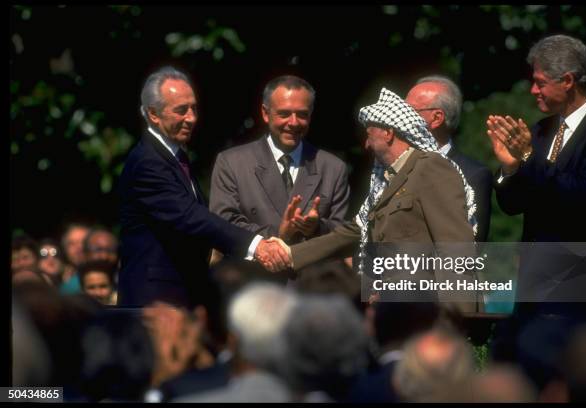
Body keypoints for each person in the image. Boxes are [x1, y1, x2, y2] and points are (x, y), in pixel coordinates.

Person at [280, 88, 479, 312]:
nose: (366, 144)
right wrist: (289, 254)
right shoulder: (387, 181)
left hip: (427, 313)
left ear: (388, 133)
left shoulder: (430, 167)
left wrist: (457, 318)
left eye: (370, 134)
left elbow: (455, 248)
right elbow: (354, 231)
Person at [117, 66, 290, 308]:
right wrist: (256, 245)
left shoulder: (175, 157)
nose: (191, 118)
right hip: (154, 302)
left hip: (179, 294)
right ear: (154, 114)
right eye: (181, 111)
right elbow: (191, 217)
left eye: (193, 108)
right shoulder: (148, 162)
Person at [485, 34, 586, 300]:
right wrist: (511, 167)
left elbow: (585, 196)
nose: (533, 90)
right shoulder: (542, 130)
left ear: (568, 81)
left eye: (540, 83)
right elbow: (513, 205)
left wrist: (529, 156)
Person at [210, 75, 349, 253]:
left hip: (309, 278)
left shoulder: (333, 168)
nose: (293, 123)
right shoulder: (232, 163)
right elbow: (224, 224)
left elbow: (342, 235)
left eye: (302, 114)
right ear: (265, 113)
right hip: (252, 277)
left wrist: (316, 228)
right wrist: (277, 235)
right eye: (284, 114)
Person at [406, 75, 492, 242]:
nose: (398, 117)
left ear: (437, 118)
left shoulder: (472, 175)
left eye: (408, 110)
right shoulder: (391, 166)